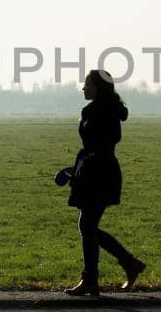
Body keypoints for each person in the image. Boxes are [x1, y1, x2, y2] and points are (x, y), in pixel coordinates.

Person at [59, 68, 146, 297]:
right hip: (95, 171)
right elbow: (94, 149)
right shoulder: (105, 110)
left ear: (98, 87)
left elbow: (98, 148)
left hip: (99, 174)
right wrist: (74, 170)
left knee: (87, 227)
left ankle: (104, 273)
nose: (83, 88)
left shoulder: (100, 111)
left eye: (87, 84)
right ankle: (111, 271)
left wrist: (80, 169)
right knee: (87, 228)